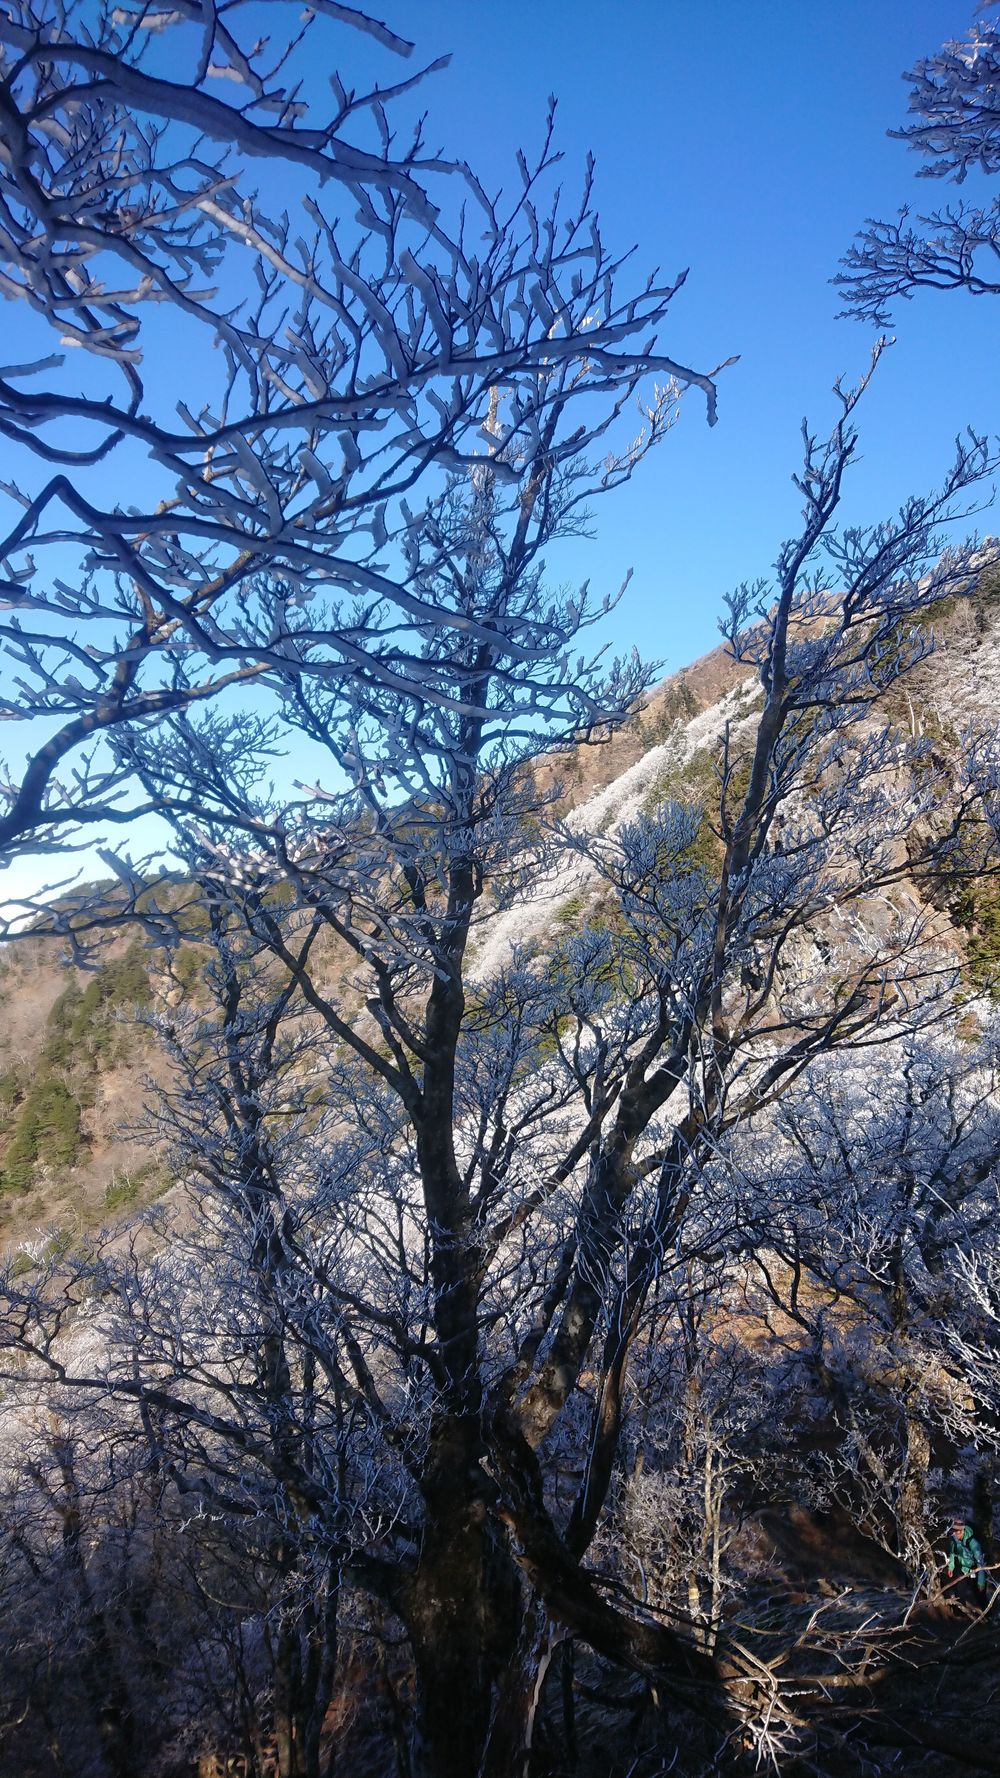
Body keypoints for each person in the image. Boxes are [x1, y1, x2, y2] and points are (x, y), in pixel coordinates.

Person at [945, 1519, 988, 1595]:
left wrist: (981, 1581)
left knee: (978, 1594)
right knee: (960, 1590)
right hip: (962, 1568)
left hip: (974, 1569)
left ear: (962, 1531)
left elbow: (980, 1563)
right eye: (953, 1531)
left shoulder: (973, 1543)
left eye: (956, 1531)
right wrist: (951, 1567)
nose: (954, 1534)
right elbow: (952, 1553)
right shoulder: (954, 1539)